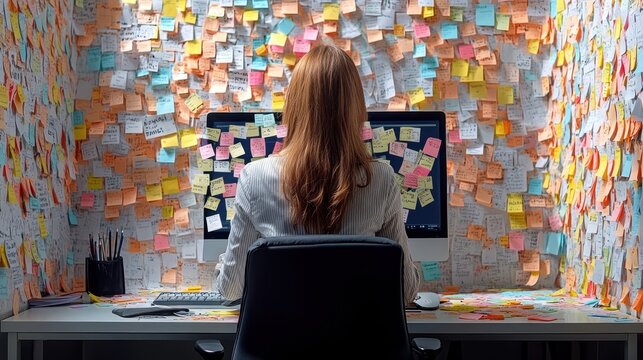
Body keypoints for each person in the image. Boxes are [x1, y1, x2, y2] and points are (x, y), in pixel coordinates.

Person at [213, 44, 420, 304]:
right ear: (355, 108)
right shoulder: (380, 179)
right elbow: (406, 291)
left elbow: (231, 290)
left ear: (295, 105)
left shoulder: (255, 178)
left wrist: (224, 265)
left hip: (281, 344)